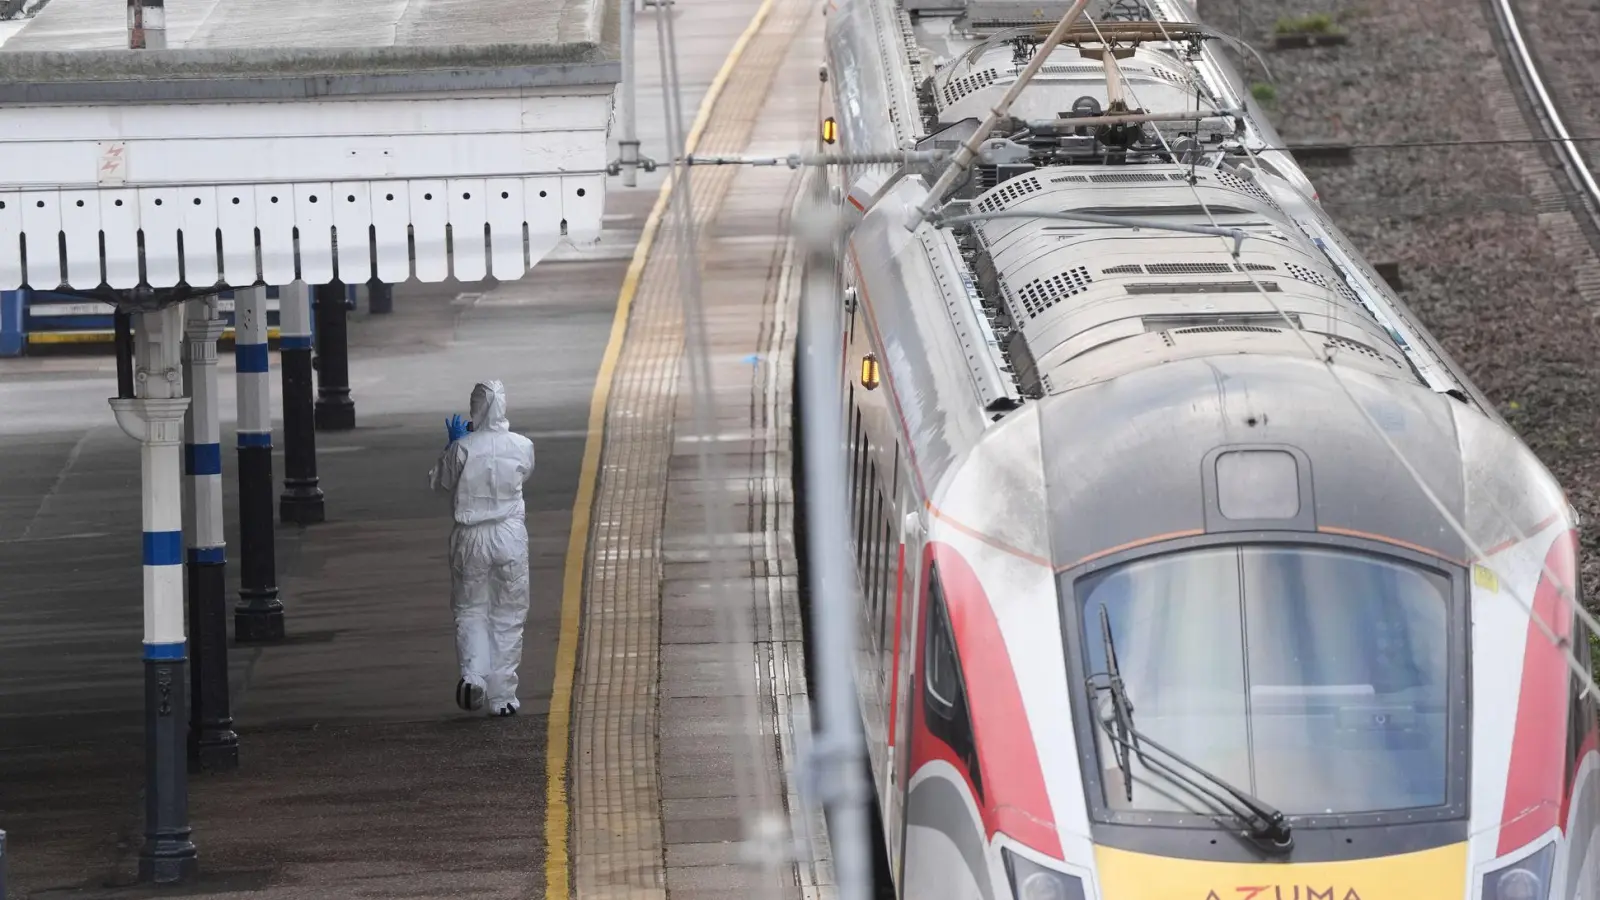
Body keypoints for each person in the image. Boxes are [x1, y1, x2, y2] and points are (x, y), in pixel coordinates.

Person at [428, 380, 536, 717]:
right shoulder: (522, 445)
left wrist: (452, 446)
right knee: (508, 614)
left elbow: (439, 483)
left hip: (470, 537)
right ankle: (502, 697)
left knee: (471, 608)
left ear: (474, 407)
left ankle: (474, 675)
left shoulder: (462, 449)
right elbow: (524, 475)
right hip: (509, 534)